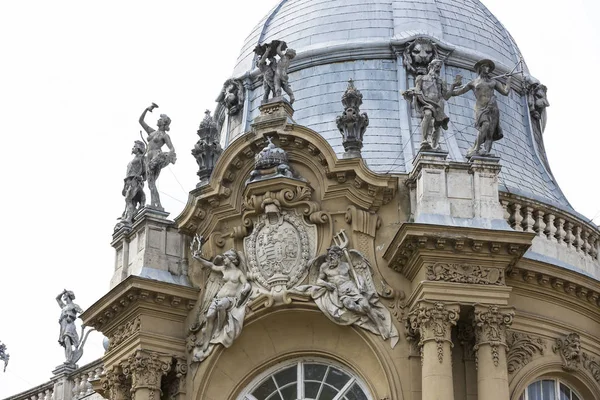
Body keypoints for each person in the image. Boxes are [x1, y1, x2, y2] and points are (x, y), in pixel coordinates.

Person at [191, 247, 251, 361]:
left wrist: (245, 289)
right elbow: (211, 266)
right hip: (218, 298)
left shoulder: (238, 273)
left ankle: (219, 329)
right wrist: (198, 258)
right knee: (209, 317)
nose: (224, 259)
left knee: (220, 306)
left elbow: (246, 283)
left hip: (230, 300)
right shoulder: (224, 269)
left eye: (226, 258)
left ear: (232, 259)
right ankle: (205, 344)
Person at [316, 246, 388, 338]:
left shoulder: (346, 265)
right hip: (340, 292)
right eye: (329, 255)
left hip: (351, 288)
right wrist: (327, 284)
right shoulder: (324, 267)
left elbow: (357, 276)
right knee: (350, 305)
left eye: (333, 255)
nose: (330, 258)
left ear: (339, 256)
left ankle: (380, 326)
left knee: (365, 305)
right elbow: (318, 281)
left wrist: (361, 284)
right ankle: (372, 312)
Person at [453, 59, 512, 157]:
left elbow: (505, 92)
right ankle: (476, 149)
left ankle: (486, 152)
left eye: (489, 67)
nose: (487, 68)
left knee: (490, 133)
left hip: (493, 108)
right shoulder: (473, 82)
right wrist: (451, 88)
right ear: (480, 68)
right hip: (480, 108)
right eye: (485, 66)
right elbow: (459, 91)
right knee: (485, 125)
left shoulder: (493, 82)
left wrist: (508, 81)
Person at [403, 59, 462, 151]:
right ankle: (424, 140)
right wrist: (412, 92)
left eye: (439, 67)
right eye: (436, 66)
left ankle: (434, 145)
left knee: (437, 124)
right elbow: (418, 90)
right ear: (430, 66)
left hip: (438, 104)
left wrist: (453, 86)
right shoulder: (421, 78)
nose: (438, 69)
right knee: (428, 114)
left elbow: (446, 96)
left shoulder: (441, 81)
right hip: (426, 102)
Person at [138, 104, 176, 210]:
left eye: (160, 119)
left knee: (152, 183)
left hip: (156, 157)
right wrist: (146, 109)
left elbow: (172, 148)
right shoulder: (152, 131)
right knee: (151, 184)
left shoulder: (164, 136)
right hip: (148, 158)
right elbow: (141, 121)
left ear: (163, 123)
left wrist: (167, 157)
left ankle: (156, 205)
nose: (158, 120)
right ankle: (157, 205)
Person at [120, 140, 146, 224]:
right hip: (128, 182)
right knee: (131, 201)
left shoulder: (142, 158)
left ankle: (129, 218)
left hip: (135, 182)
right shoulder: (134, 159)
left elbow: (145, 173)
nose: (133, 148)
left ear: (139, 148)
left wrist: (140, 178)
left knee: (128, 200)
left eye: (135, 146)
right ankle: (132, 216)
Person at [56, 289, 84, 364]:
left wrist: (72, 316)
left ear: (69, 295)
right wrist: (62, 292)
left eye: (65, 295)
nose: (63, 296)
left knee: (67, 338)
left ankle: (69, 359)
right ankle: (69, 358)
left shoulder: (74, 306)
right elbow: (57, 298)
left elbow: (82, 312)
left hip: (70, 324)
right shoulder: (64, 306)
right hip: (63, 325)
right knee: (65, 342)